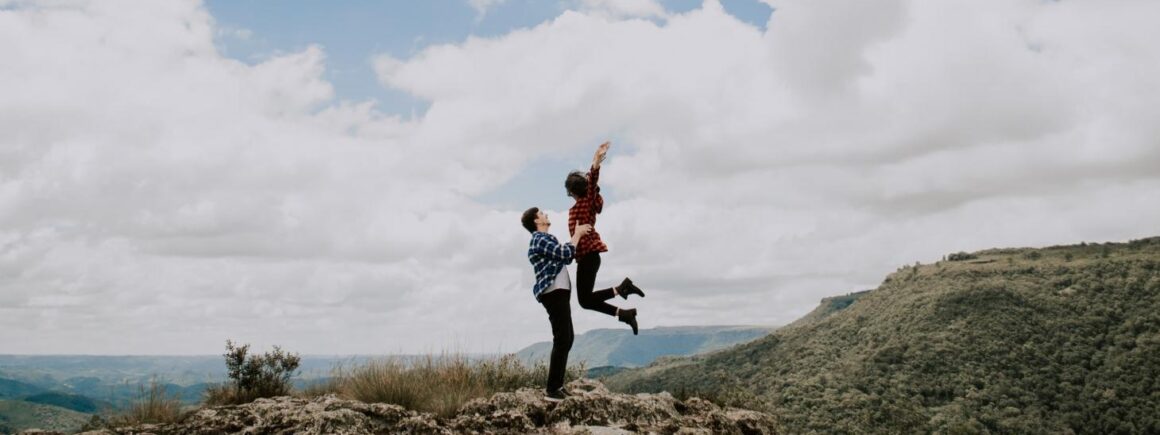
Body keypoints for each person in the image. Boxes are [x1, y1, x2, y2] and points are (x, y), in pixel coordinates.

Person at [566, 141, 646, 335]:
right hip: (587, 258)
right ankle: (624, 310)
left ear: (572, 191)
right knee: (585, 300)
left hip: (589, 256)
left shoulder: (585, 203)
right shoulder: (582, 205)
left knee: (584, 300)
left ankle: (622, 293)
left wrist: (595, 162)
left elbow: (592, 182)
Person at [521, 207, 591, 402]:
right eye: (542, 213)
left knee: (567, 338)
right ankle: (552, 389)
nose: (546, 215)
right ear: (536, 221)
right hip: (553, 293)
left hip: (558, 292)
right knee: (562, 338)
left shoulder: (546, 239)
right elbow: (564, 252)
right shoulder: (538, 239)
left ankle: (557, 386)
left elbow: (567, 256)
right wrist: (577, 234)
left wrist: (573, 242)